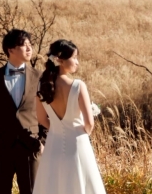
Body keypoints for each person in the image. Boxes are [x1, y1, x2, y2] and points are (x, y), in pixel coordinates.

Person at [0, 29, 47, 194]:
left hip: (31, 145)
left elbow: (47, 109)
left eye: (31, 45)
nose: (29, 49)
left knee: (32, 191)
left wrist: (43, 140)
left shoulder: (39, 76)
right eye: (24, 45)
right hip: (1, 146)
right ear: (11, 50)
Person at [33, 39, 106, 194]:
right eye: (74, 57)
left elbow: (41, 119)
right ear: (60, 59)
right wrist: (78, 130)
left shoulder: (41, 86)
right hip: (78, 143)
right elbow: (89, 124)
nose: (77, 62)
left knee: (53, 185)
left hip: (53, 145)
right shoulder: (78, 86)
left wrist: (58, 129)